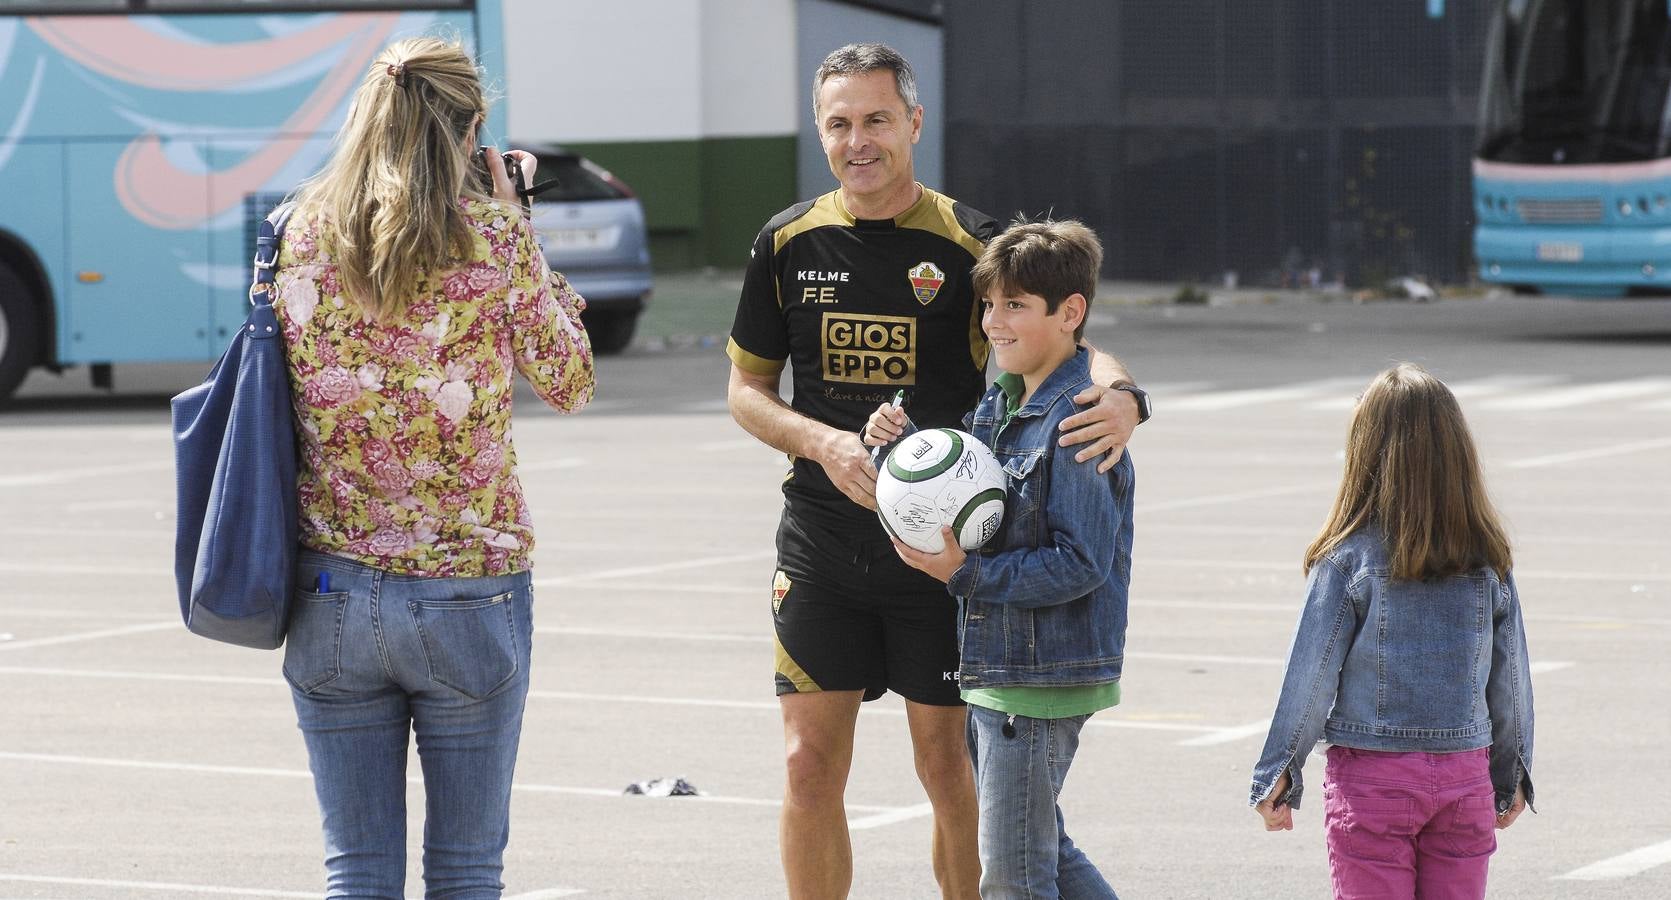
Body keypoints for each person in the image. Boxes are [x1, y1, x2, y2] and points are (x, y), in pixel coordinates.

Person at [725, 42, 1147, 899]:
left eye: (877, 119)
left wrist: (1126, 395)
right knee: (808, 764)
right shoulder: (785, 241)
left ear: (913, 122)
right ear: (820, 131)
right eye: (839, 124)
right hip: (821, 542)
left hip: (946, 555)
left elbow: (1067, 330)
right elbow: (745, 390)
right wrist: (821, 442)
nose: (858, 141)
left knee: (949, 772)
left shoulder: (968, 240)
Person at [271, 36, 593, 897]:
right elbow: (569, 380)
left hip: (330, 589)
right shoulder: (490, 237)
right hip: (466, 584)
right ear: (471, 127)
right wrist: (522, 227)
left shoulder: (299, 231)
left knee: (357, 869)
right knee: (463, 870)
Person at [868, 219, 1132, 899]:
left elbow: (1080, 563)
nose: (993, 321)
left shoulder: (1075, 419)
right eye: (989, 305)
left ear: (1069, 312)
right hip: (1003, 671)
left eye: (1013, 305)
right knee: (1046, 851)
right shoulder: (1003, 400)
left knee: (1014, 880)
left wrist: (964, 575)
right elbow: (973, 487)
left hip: (1036, 682)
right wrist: (903, 451)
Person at [1247, 363, 1535, 900]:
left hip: (1373, 781)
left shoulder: (1347, 559)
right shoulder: (1488, 561)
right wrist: (1513, 771)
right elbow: (1511, 681)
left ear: (1366, 456)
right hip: (1463, 778)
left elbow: (1310, 679)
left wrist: (1279, 769)